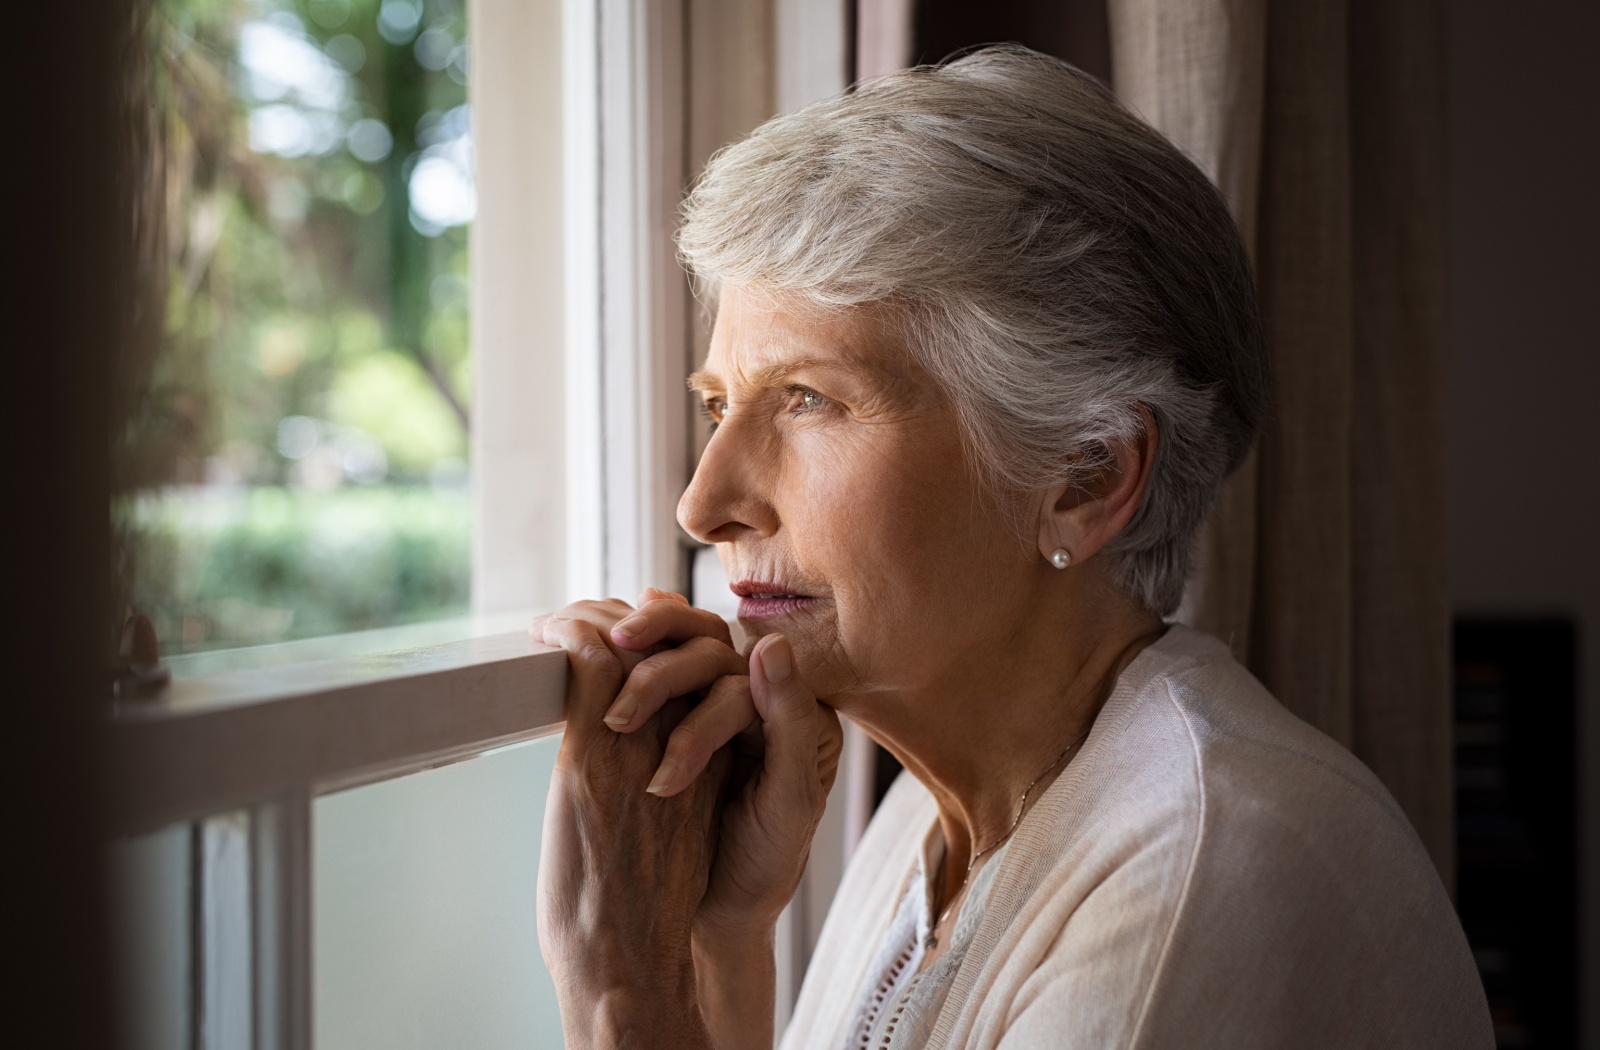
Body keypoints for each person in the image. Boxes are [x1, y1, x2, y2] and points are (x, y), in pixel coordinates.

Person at [532, 45, 1491, 1050]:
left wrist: (624, 994)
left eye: (808, 400)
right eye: (720, 406)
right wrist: (721, 940)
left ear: (1084, 478)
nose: (702, 504)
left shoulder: (1204, 868)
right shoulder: (926, 824)